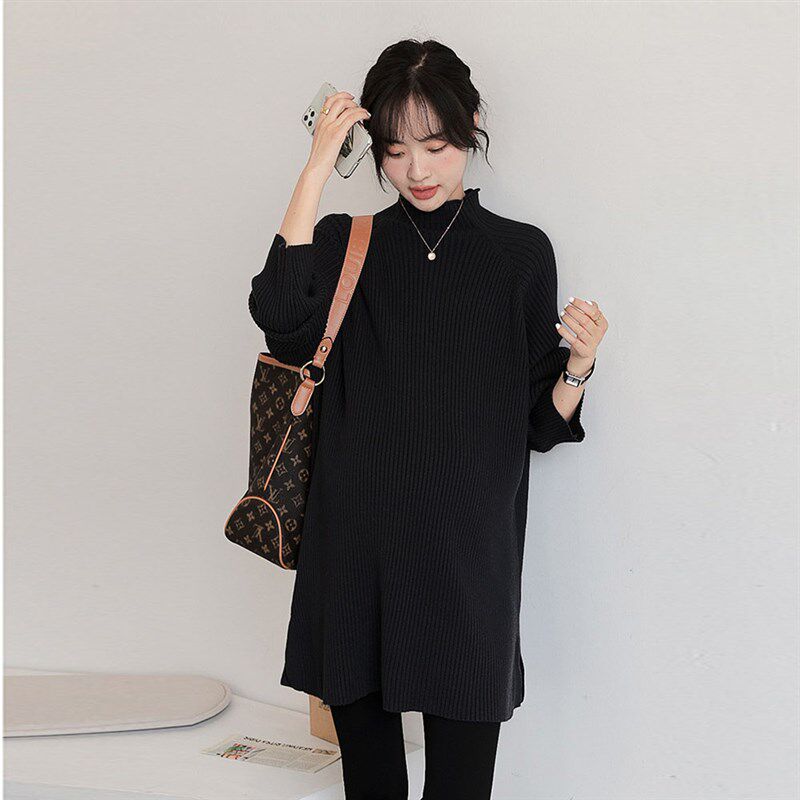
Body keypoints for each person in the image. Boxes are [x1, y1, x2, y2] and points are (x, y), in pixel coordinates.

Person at [248, 38, 608, 800]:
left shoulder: (519, 256)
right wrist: (315, 168)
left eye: (437, 146)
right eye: (395, 149)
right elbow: (279, 315)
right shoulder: (346, 243)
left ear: (471, 129)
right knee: (372, 788)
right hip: (355, 562)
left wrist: (578, 364)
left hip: (467, 568)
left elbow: (537, 428)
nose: (417, 170)